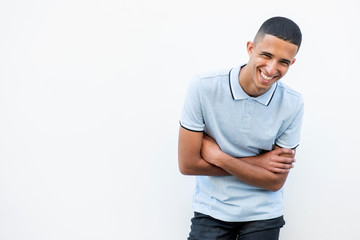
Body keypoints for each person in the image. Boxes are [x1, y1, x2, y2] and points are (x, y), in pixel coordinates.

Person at [178, 16, 304, 240]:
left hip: (264, 213)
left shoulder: (293, 103)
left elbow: (275, 181)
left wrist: (218, 156)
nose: (271, 68)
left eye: (283, 62)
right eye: (266, 55)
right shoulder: (204, 87)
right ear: (250, 48)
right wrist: (259, 164)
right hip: (212, 209)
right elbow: (188, 164)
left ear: (292, 63)